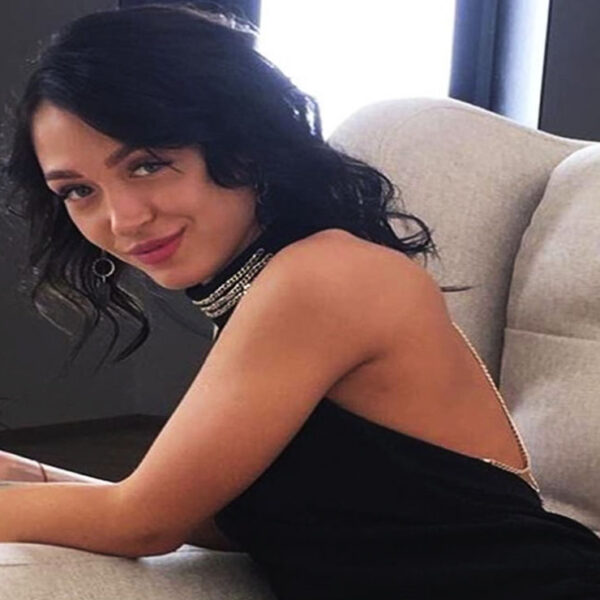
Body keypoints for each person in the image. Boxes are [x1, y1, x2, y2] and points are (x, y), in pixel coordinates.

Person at [0, 3, 599, 599]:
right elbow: (256, 517)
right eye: (77, 191)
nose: (123, 218)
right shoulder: (266, 287)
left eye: (147, 165)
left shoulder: (323, 277)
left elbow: (144, 523)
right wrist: (37, 476)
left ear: (242, 141)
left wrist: (107, 502)